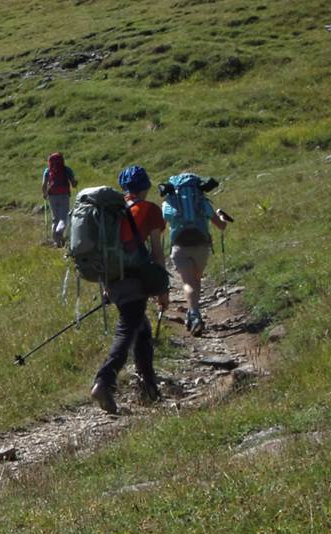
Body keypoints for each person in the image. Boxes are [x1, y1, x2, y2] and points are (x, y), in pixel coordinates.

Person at [91, 164, 170, 414]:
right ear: (146, 186)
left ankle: (149, 390)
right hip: (135, 281)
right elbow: (157, 252)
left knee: (142, 330)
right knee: (127, 330)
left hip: (113, 281)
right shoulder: (149, 210)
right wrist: (163, 288)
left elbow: (103, 252)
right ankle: (104, 381)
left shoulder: (112, 212)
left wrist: (105, 286)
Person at [161, 172, 232, 335]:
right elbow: (221, 226)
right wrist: (222, 217)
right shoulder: (202, 201)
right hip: (201, 246)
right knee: (196, 280)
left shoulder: (169, 203)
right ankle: (194, 313)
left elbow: (161, 228)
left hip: (180, 247)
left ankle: (193, 314)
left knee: (188, 282)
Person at [40, 151, 77, 246]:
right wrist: (75, 182)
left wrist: (44, 194)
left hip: (52, 195)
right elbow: (73, 183)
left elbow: (44, 184)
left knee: (55, 219)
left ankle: (57, 241)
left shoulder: (47, 170)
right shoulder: (66, 169)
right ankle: (59, 233)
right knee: (63, 218)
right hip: (64, 195)